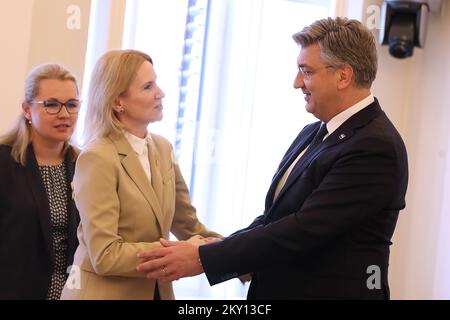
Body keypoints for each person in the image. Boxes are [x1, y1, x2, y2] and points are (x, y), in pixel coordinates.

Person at [136, 17, 409, 300]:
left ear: (343, 76)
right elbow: (275, 218)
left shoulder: (375, 146)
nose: (296, 83)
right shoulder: (313, 132)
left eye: (306, 71)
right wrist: (217, 246)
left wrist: (204, 257)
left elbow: (304, 229)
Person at [60, 49, 220, 300]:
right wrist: (181, 252)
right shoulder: (98, 157)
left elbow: (189, 226)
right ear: (117, 102)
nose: (161, 93)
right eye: (148, 87)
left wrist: (240, 254)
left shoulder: (163, 148)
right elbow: (105, 255)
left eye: (155, 83)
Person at [0, 64, 81, 299]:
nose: (64, 114)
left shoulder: (84, 165)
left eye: (72, 104)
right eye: (52, 105)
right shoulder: (4, 162)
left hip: (68, 292)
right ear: (27, 109)